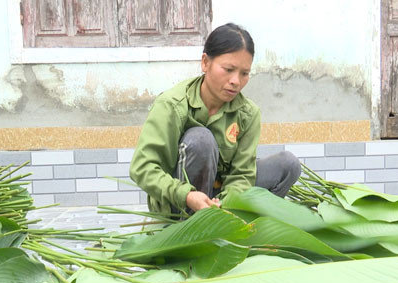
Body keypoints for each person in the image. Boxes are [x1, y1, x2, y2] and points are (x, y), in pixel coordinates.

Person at [129, 23, 301, 214]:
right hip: (179, 201)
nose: (236, 81)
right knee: (202, 139)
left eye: (244, 73)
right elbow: (142, 168)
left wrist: (225, 205)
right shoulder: (172, 105)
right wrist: (185, 195)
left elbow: (242, 174)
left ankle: (233, 223)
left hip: (220, 199)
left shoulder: (248, 114)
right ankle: (189, 227)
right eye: (228, 69)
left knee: (288, 165)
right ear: (205, 63)